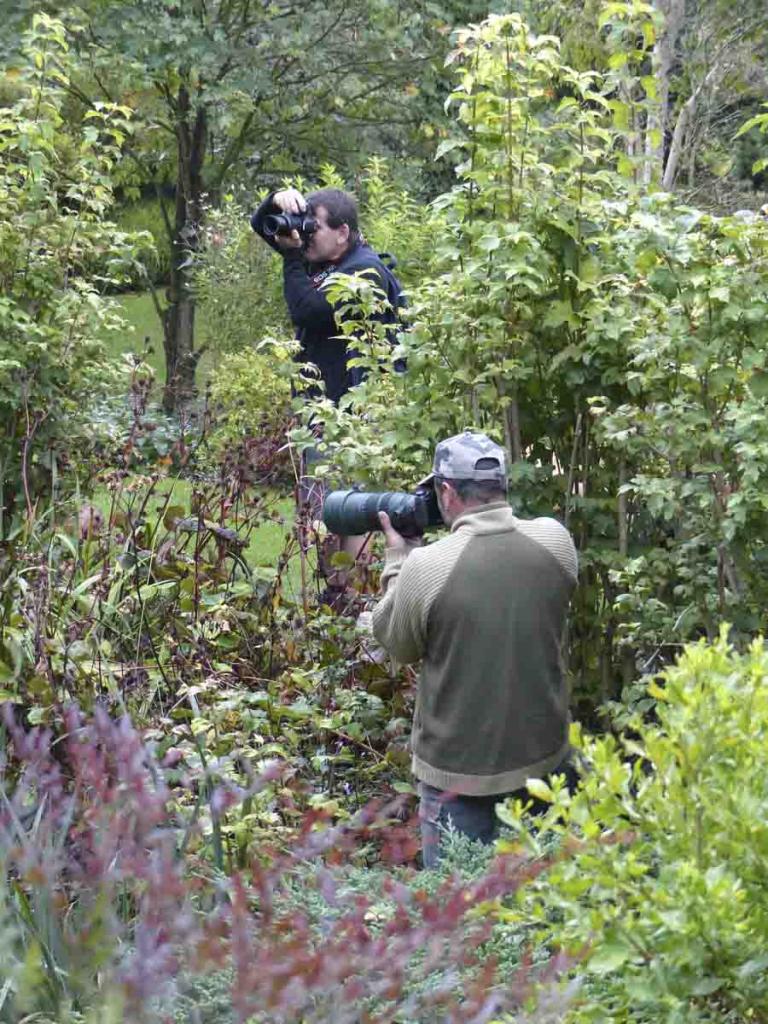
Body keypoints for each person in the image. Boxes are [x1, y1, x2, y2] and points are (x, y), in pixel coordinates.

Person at [371, 430, 579, 867]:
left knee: (461, 916)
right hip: (544, 765)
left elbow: (396, 642)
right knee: (541, 904)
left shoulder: (426, 567)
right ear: (501, 485)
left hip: (456, 780)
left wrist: (397, 561)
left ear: (446, 492)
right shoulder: (556, 542)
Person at [251, 186, 403, 404]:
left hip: (354, 415)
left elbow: (307, 312)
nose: (305, 235)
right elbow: (262, 224)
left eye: (313, 227)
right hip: (323, 408)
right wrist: (276, 199)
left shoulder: (364, 273)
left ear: (342, 233)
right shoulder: (324, 258)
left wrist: (292, 255)